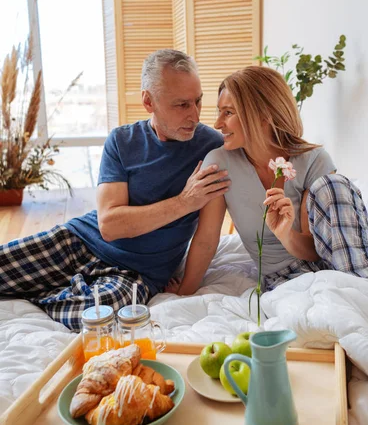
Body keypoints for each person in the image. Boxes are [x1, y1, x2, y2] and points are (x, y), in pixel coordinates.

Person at [0, 49, 229, 331]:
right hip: (81, 241)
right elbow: (109, 225)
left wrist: (185, 290)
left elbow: (207, 237)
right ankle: (62, 283)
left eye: (198, 101)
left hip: (138, 273)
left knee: (95, 317)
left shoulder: (212, 149)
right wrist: (184, 202)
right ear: (149, 101)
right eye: (181, 105)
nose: (194, 115)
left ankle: (42, 294)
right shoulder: (122, 140)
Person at [169, 65, 368, 297]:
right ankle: (348, 299)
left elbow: (314, 251)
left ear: (262, 116)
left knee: (331, 186)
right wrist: (184, 291)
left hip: (349, 262)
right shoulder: (220, 162)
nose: (217, 123)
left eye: (228, 113)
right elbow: (206, 239)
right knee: (322, 306)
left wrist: (287, 234)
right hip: (287, 277)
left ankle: (364, 295)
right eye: (219, 111)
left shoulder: (312, 160)